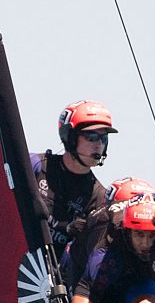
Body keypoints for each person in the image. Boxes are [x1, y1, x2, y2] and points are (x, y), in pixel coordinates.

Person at [32, 100, 115, 287]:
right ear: (70, 137)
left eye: (103, 138)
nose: (99, 145)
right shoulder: (35, 165)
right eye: (91, 137)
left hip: (51, 284)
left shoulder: (100, 197)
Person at [70, 196, 155, 303]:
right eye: (139, 234)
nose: (146, 244)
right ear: (128, 232)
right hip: (90, 269)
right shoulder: (105, 255)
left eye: (152, 235)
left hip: (138, 277)